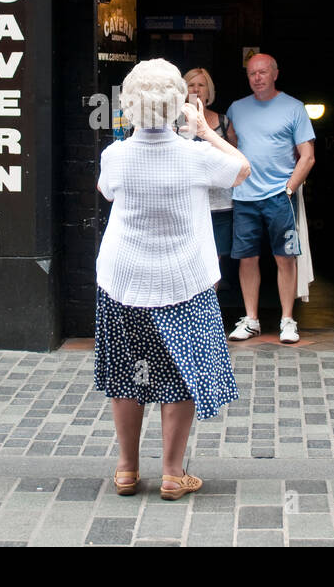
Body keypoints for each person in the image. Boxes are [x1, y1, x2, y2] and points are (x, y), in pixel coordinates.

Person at [95, 59, 250, 500]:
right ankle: (171, 472)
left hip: (122, 279)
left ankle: (127, 471)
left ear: (130, 105)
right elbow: (242, 169)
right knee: (179, 377)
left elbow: (107, 190)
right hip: (184, 283)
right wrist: (204, 130)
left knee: (127, 375)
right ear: (179, 104)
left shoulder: (115, 155)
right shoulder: (197, 156)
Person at [224, 53, 316, 344]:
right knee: (246, 259)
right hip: (244, 198)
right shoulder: (237, 109)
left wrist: (288, 190)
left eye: (263, 72)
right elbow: (230, 150)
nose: (257, 78)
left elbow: (308, 157)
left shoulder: (294, 108)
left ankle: (287, 320)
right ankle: (251, 320)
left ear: (275, 74)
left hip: (279, 196)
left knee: (284, 258)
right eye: (252, 73)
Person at [182, 67, 237, 260]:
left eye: (201, 85)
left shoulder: (223, 121)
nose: (196, 89)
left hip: (220, 204)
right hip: (187, 203)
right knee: (189, 256)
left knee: (215, 259)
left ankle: (212, 292)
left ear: (209, 91)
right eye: (191, 85)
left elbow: (235, 158)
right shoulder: (174, 123)